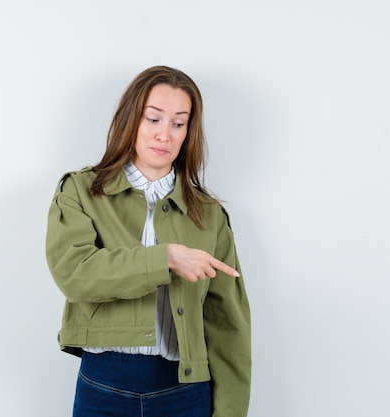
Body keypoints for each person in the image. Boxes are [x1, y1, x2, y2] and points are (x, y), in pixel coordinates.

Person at [45, 65, 251, 417]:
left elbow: (227, 324)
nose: (164, 135)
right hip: (103, 386)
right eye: (153, 119)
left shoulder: (209, 214)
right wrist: (166, 258)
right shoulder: (79, 191)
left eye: (178, 123)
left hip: (186, 391)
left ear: (189, 131)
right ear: (131, 120)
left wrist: (231, 412)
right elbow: (75, 274)